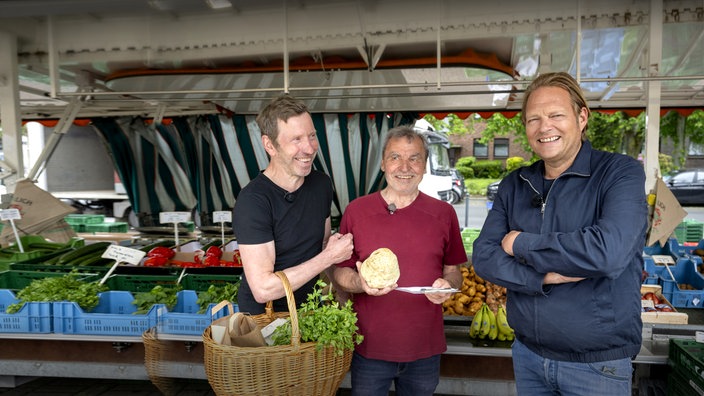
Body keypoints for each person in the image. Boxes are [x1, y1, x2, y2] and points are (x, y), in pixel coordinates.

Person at [472, 72, 648, 395]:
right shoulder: (515, 184)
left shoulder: (620, 173)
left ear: (582, 117)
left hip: (596, 367)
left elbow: (607, 253)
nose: (544, 127)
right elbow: (484, 257)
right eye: (533, 119)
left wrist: (520, 243)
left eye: (556, 115)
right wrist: (543, 278)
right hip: (528, 356)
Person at [332, 125, 466, 396]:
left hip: (424, 350)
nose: (405, 167)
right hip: (369, 347)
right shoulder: (356, 211)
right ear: (383, 163)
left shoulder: (444, 213)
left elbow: (454, 272)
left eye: (414, 158)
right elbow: (339, 271)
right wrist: (359, 281)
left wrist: (447, 285)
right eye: (395, 157)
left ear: (424, 165)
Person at [232, 94, 354, 315]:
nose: (309, 148)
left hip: (309, 309)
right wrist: (328, 257)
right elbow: (262, 288)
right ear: (270, 145)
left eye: (312, 136)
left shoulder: (321, 184)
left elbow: (325, 243)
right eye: (296, 139)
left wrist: (342, 293)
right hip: (265, 320)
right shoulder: (253, 201)